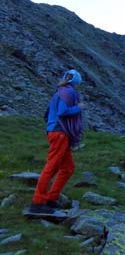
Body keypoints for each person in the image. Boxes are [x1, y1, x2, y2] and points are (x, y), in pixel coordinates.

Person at [29, 69, 84, 214]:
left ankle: (51, 199)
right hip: (60, 132)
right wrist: (78, 107)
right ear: (76, 82)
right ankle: (37, 202)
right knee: (52, 167)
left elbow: (47, 114)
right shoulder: (69, 92)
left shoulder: (59, 92)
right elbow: (62, 111)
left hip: (56, 132)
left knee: (68, 168)